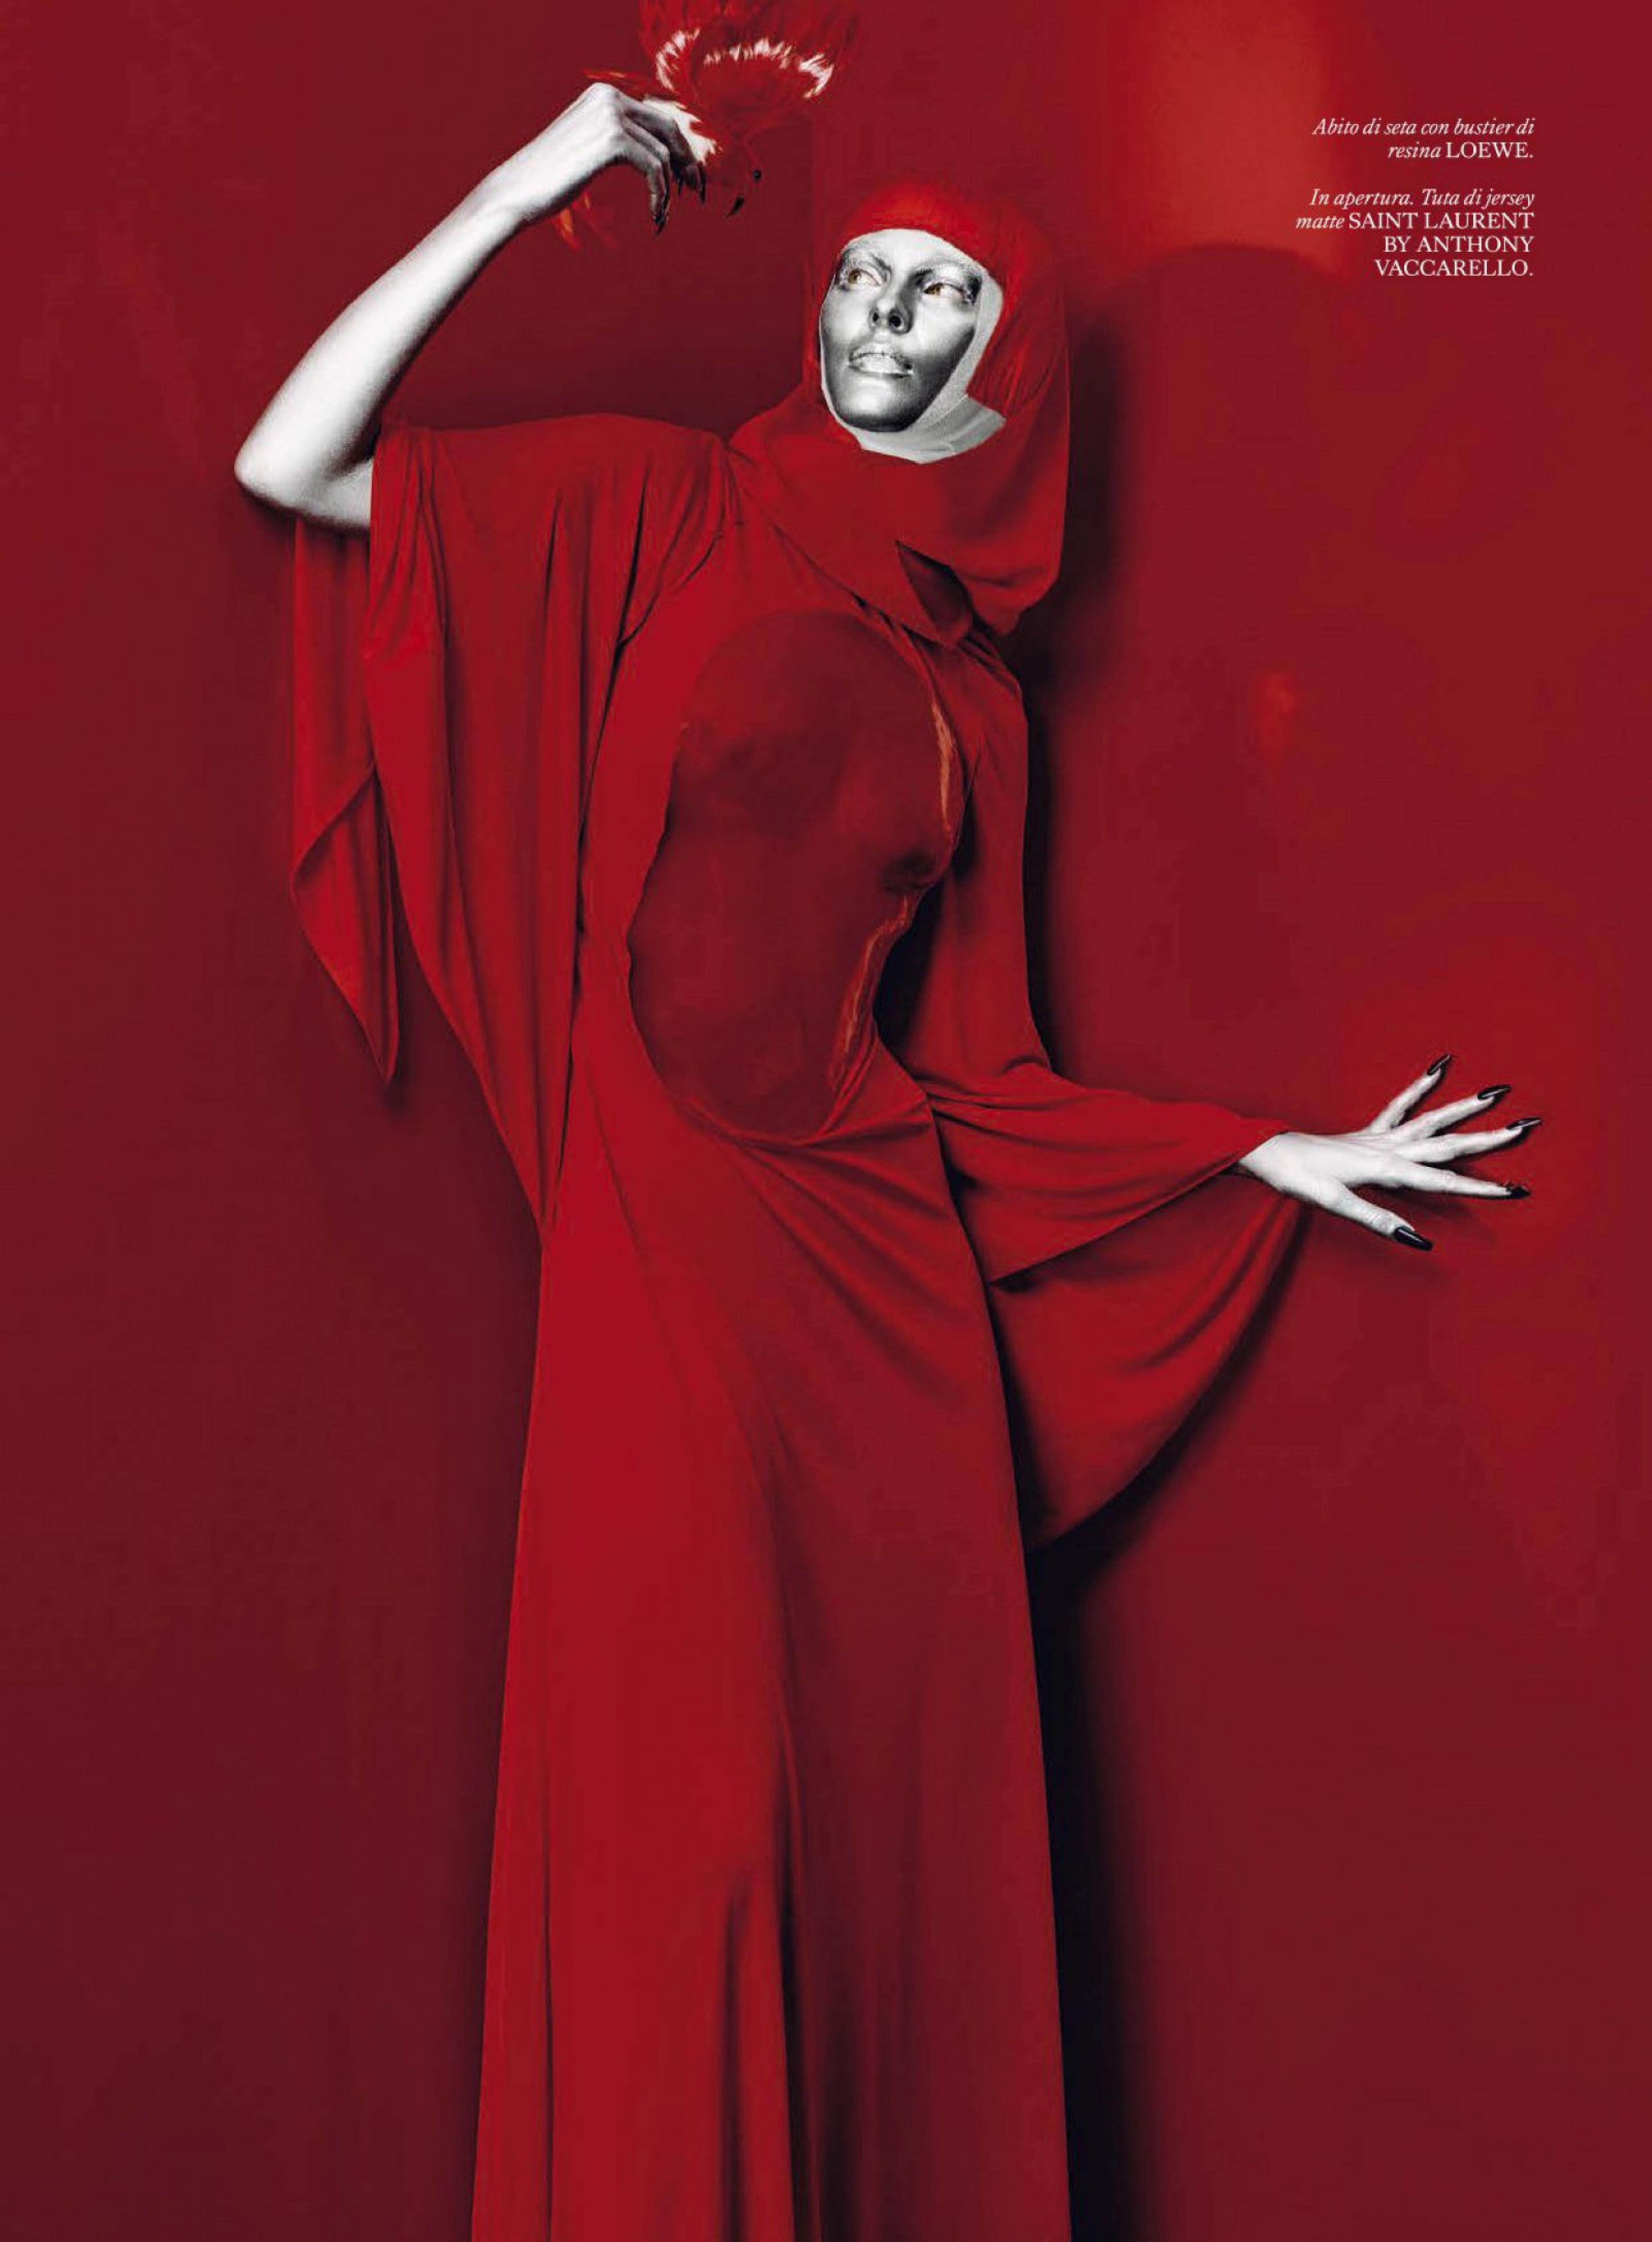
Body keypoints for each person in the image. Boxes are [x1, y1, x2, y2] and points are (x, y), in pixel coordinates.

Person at [236, 82, 1535, 2242]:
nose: (877, 315)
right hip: (669, 1279)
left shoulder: (981, 705)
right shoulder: (669, 511)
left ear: (1000, 362)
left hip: (879, 1331)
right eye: (860, 275)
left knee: (860, 1869)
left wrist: (1258, 1157)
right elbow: (292, 464)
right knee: (699, 1842)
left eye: (936, 294)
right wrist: (530, 183)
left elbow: (974, 1076)